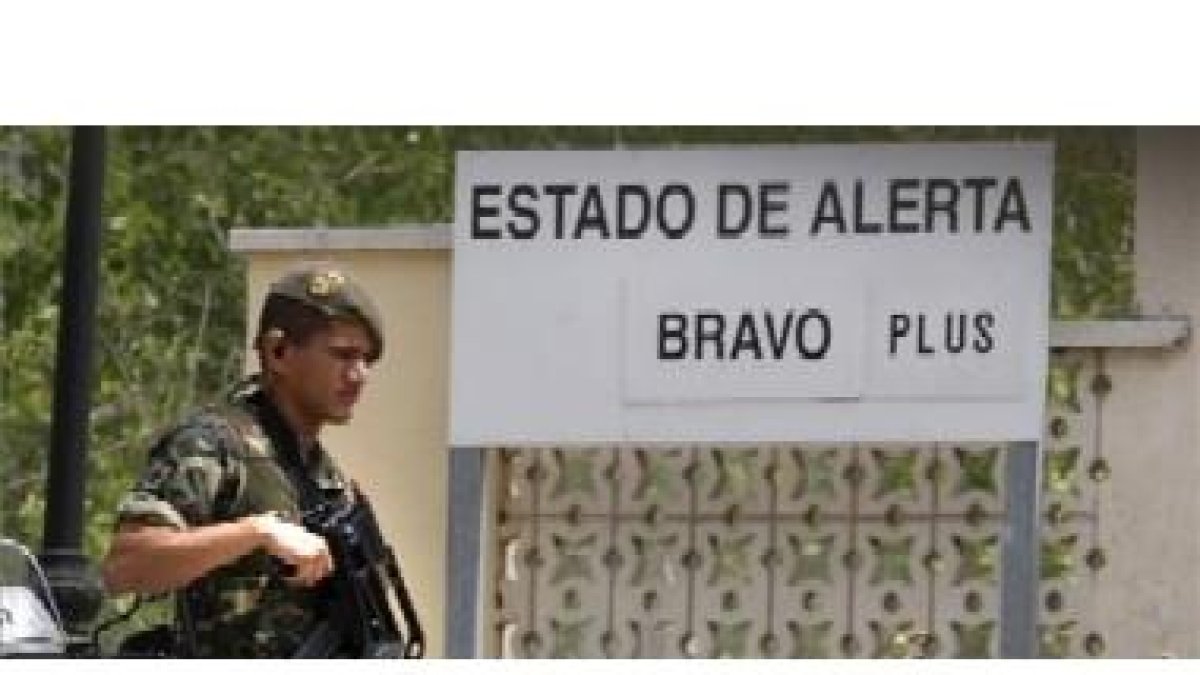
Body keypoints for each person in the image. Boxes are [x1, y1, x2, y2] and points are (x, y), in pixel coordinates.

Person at [100, 263, 385, 657]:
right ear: (278, 352)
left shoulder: (324, 477)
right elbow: (127, 565)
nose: (358, 375)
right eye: (343, 355)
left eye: (366, 360)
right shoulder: (214, 445)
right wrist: (257, 533)